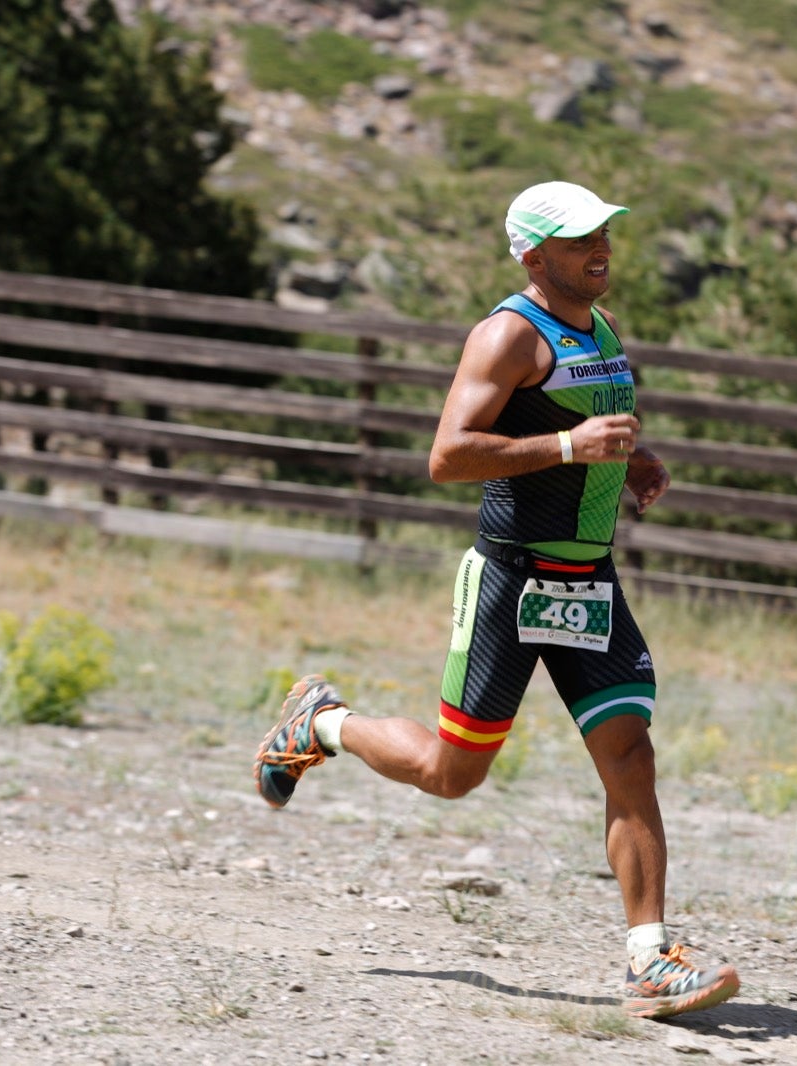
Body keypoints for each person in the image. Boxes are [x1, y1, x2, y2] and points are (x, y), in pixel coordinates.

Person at [253, 180, 739, 1021]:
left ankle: (651, 959)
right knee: (452, 775)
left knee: (631, 757)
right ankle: (321, 724)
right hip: (512, 581)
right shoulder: (508, 333)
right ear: (533, 254)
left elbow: (592, 426)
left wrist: (633, 461)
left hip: (590, 584)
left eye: (605, 233)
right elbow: (448, 456)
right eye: (580, 237)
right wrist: (566, 445)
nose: (601, 247)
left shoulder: (602, 328)